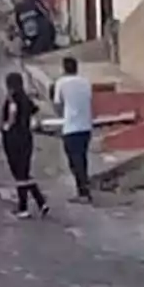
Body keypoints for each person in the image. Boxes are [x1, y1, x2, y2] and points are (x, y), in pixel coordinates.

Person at [2, 72, 48, 219]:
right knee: (24, 171)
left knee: (19, 174)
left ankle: (23, 207)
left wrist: (6, 126)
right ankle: (40, 201)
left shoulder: (13, 99)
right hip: (26, 138)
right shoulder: (26, 99)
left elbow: (12, 114)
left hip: (13, 139)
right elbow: (35, 110)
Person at [53, 56, 93, 203]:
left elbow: (57, 105)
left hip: (71, 127)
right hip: (86, 126)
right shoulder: (85, 82)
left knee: (74, 160)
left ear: (64, 68)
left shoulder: (61, 83)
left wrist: (62, 116)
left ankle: (83, 192)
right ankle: (84, 188)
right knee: (82, 158)